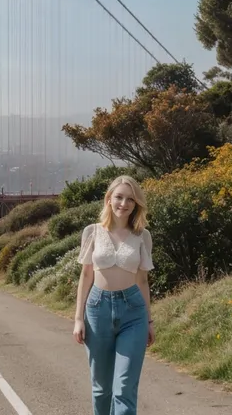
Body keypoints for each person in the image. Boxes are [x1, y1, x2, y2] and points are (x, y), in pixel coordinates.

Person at [73, 175, 155, 415]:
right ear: (109, 199)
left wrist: (149, 321)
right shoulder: (92, 232)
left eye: (131, 199)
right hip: (97, 310)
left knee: (124, 389)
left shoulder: (143, 236)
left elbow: (142, 281)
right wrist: (78, 319)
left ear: (136, 204)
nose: (124, 203)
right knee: (101, 389)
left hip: (133, 312)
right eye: (119, 197)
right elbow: (86, 276)